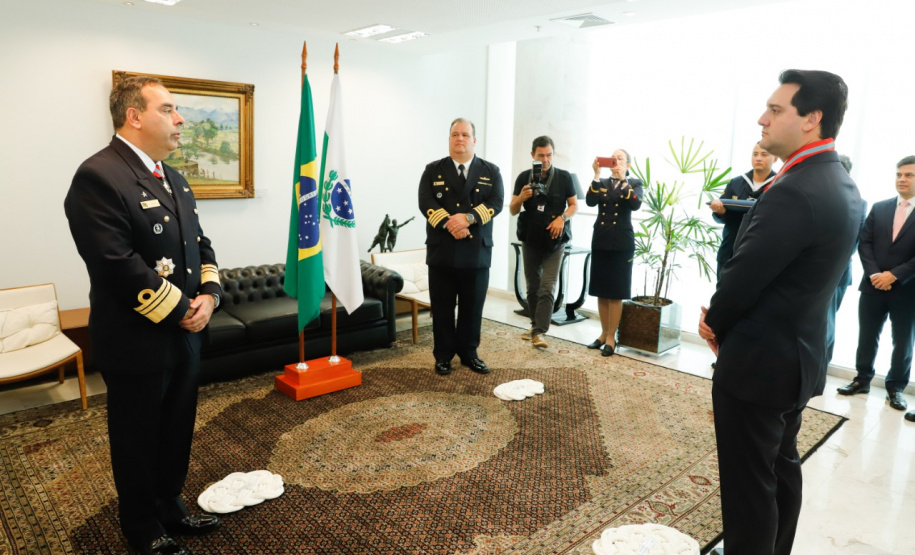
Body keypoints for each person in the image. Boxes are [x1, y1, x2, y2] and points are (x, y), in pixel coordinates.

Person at [699, 69, 861, 555]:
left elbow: (744, 274)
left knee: (749, 489)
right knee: (779, 468)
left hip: (760, 363)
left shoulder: (794, 189)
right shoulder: (840, 181)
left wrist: (714, 323)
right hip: (799, 356)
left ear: (811, 119)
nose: (761, 119)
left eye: (775, 110)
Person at [64, 76, 223, 555]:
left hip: (184, 335)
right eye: (169, 110)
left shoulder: (173, 176)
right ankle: (140, 523)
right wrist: (180, 309)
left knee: (176, 426)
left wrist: (210, 296)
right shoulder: (98, 175)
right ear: (134, 116)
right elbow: (114, 263)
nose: (181, 120)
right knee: (136, 435)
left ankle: (169, 503)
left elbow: (200, 246)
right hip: (137, 338)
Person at [418, 118, 504, 376]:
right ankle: (443, 355)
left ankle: (469, 353)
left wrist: (468, 219)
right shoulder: (433, 170)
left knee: (472, 306)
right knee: (442, 307)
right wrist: (450, 222)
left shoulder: (491, 171)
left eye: (465, 134)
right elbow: (425, 202)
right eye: (455, 134)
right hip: (442, 250)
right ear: (449, 139)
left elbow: (497, 202)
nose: (460, 138)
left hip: (476, 251)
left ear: (474, 140)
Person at [838, 156, 915, 414]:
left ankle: (895, 388)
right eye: (899, 174)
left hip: (907, 289)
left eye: (909, 175)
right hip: (872, 286)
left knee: (903, 341)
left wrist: (894, 275)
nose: (902, 179)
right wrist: (874, 274)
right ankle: (862, 380)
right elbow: (865, 242)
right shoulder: (880, 207)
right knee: (867, 335)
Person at [509, 136, 578, 349]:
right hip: (530, 239)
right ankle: (534, 325)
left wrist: (562, 218)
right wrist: (521, 197)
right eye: (541, 155)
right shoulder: (523, 178)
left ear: (553, 154)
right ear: (533, 155)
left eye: (549, 155)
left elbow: (574, 205)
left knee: (548, 287)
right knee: (532, 287)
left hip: (555, 242)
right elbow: (512, 210)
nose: (546, 159)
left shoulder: (565, 177)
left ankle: (539, 332)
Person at [585, 149, 643, 357]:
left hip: (622, 243)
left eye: (620, 159)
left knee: (616, 291)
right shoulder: (602, 182)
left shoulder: (635, 183)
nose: (616, 161)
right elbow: (590, 201)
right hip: (601, 239)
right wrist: (596, 175)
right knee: (601, 289)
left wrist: (623, 180)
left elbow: (635, 204)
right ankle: (603, 334)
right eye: (613, 158)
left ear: (628, 165)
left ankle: (612, 337)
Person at [709, 143, 776, 277]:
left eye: (764, 154)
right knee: (724, 295)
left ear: (775, 158)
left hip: (762, 252)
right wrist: (719, 211)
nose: (758, 158)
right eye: (755, 154)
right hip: (730, 250)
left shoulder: (779, 185)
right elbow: (722, 217)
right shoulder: (736, 183)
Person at [826, 154, 866, 363]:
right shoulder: (820, 197)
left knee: (828, 324)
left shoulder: (859, 203)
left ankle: (820, 370)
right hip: (810, 273)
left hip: (837, 274)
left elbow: (854, 243)